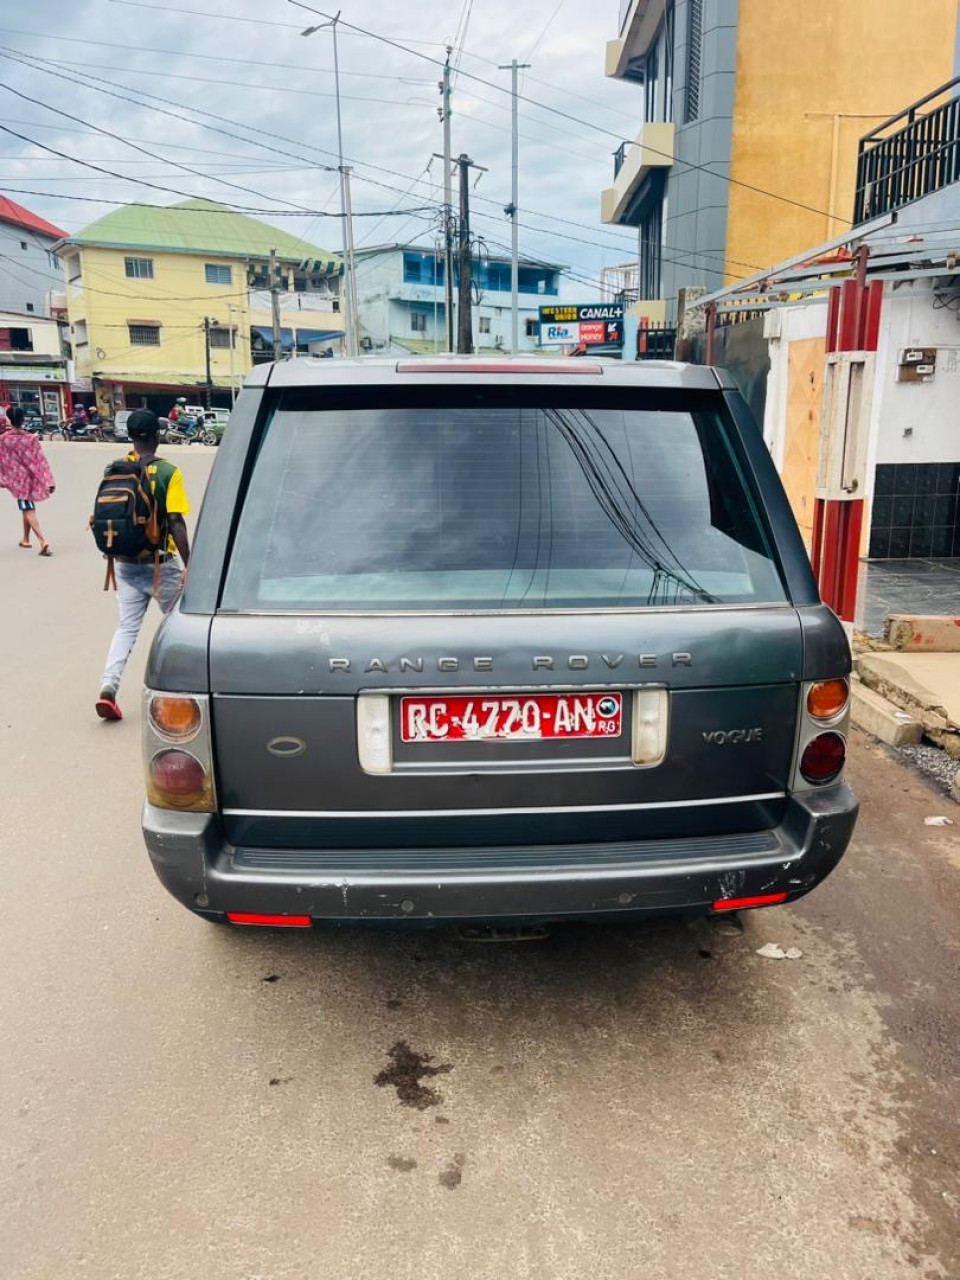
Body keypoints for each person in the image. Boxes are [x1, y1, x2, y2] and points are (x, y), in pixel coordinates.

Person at [95, 409, 190, 721]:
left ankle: (108, 688)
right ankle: (182, 690)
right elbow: (175, 521)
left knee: (126, 628)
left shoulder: (116, 467)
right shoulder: (168, 472)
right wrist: (190, 564)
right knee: (180, 627)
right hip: (161, 566)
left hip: (123, 562)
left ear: (131, 437)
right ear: (157, 436)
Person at [0, 405, 55, 555]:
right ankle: (25, 539)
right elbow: (41, 461)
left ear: (9, 420)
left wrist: (3, 478)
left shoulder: (3, 440)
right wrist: (49, 480)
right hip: (31, 478)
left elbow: (1, 461)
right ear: (23, 420)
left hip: (18, 481)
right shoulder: (31, 439)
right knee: (26, 505)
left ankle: (43, 540)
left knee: (27, 508)